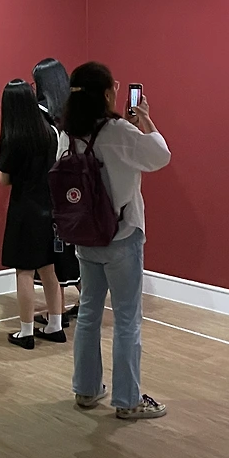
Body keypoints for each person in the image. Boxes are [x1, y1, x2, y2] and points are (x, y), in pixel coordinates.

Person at [65, 62, 171, 420]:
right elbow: (160, 156)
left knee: (89, 312)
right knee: (127, 319)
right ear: (108, 94)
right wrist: (147, 121)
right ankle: (128, 399)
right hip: (122, 236)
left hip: (85, 236)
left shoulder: (69, 135)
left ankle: (86, 388)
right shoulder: (119, 131)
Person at [0, 80, 66, 350]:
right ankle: (55, 324)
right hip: (49, 207)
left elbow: (4, 179)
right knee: (49, 268)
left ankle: (26, 331)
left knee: (24, 270)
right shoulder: (50, 132)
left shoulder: (13, 138)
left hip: (24, 209)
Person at [32, 58, 78, 323]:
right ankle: (82, 302)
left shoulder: (44, 119)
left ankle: (56, 312)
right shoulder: (73, 115)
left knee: (55, 254)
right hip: (75, 194)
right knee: (71, 253)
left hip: (53, 194)